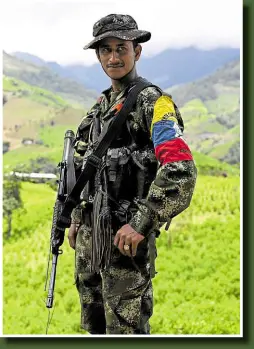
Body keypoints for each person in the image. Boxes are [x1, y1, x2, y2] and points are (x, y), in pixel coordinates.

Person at [68, 13, 197, 335]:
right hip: (89, 240)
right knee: (94, 327)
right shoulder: (99, 108)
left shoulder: (153, 102)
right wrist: (73, 220)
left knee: (126, 332)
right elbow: (83, 169)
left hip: (125, 246)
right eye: (106, 50)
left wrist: (141, 222)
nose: (114, 57)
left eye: (121, 48)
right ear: (97, 55)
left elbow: (180, 169)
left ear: (136, 52)